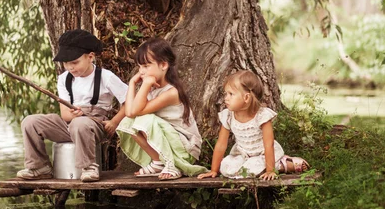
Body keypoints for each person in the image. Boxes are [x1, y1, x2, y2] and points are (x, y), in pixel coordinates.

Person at [17, 29, 128, 182]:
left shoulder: (105, 77)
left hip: (94, 124)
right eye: (66, 63)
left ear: (90, 57)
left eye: (75, 62)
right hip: (69, 125)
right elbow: (65, 115)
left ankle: (89, 166)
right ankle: (39, 166)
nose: (70, 67)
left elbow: (129, 101)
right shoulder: (64, 79)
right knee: (30, 122)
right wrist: (73, 115)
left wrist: (114, 122)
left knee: (80, 123)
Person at [117, 38, 207, 180]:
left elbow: (136, 112)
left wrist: (145, 85)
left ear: (163, 65)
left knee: (145, 119)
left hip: (185, 150)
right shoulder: (151, 89)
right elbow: (129, 113)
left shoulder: (171, 92)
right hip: (170, 143)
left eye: (146, 66)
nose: (141, 72)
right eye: (139, 67)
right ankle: (159, 162)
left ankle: (174, 166)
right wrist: (132, 83)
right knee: (128, 122)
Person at [197, 70, 309, 181]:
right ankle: (262, 167)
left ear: (246, 98)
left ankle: (282, 164)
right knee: (225, 167)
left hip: (263, 155)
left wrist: (270, 171)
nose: (226, 98)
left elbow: (268, 144)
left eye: (231, 94)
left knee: (254, 166)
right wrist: (214, 170)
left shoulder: (261, 116)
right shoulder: (228, 116)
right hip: (243, 155)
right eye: (225, 93)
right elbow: (221, 144)